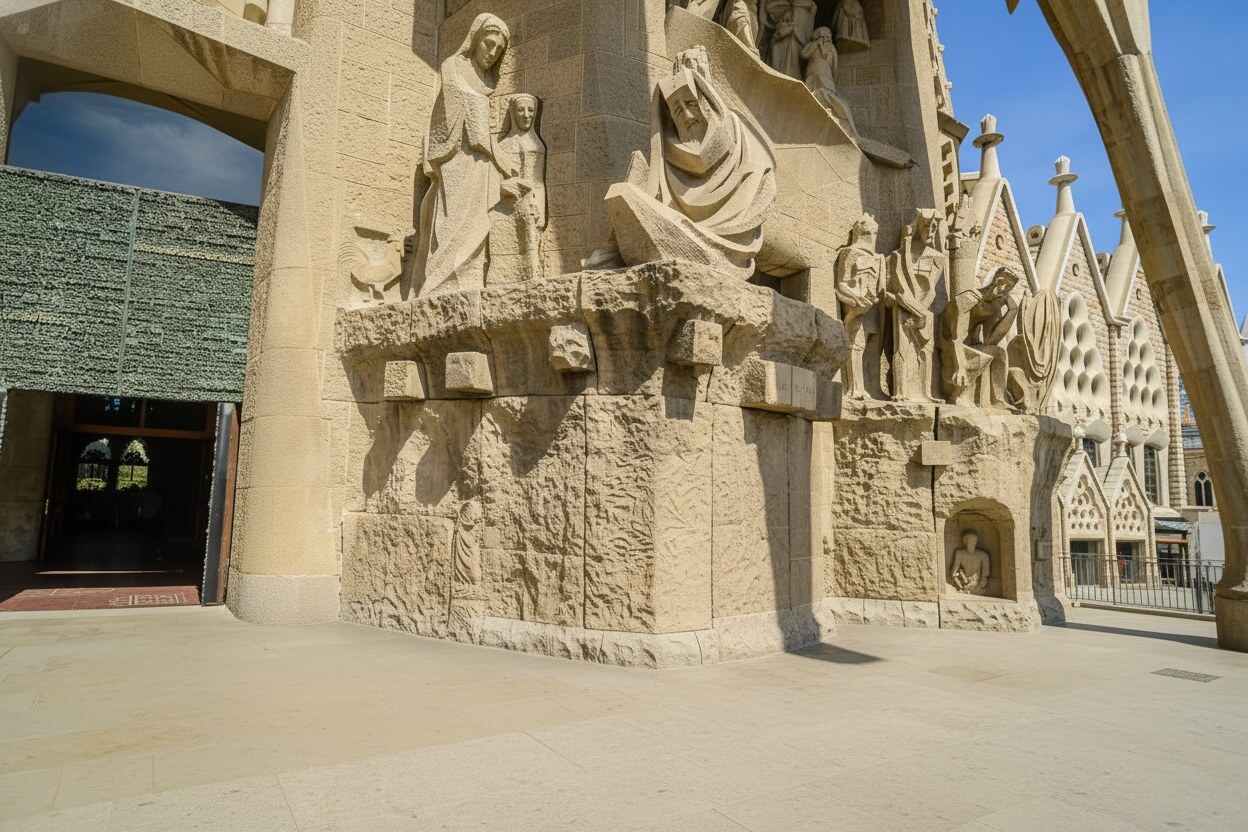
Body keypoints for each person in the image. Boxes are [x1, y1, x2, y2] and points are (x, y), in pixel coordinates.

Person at [415, 13, 511, 296]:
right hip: (456, 160)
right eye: (489, 44)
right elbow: (475, 130)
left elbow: (480, 132)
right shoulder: (452, 67)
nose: (492, 53)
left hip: (478, 165)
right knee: (451, 225)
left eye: (499, 50)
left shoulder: (486, 82)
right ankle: (438, 286)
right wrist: (503, 160)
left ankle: (467, 281)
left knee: (475, 224)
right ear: (475, 39)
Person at [491, 94, 547, 282]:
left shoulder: (537, 146)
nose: (526, 115)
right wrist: (501, 187)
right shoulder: (503, 145)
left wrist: (541, 210)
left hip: (529, 207)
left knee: (529, 256)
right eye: (521, 110)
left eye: (531, 110)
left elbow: (538, 181)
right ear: (513, 113)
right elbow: (493, 179)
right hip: (505, 209)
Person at [801, 26, 839, 109]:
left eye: (828, 36)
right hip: (811, 72)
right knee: (810, 92)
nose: (827, 38)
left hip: (825, 73)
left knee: (825, 93)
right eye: (825, 35)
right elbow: (804, 55)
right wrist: (816, 44)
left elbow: (833, 63)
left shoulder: (831, 47)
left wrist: (832, 77)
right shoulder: (813, 44)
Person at [951, 530, 991, 594]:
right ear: (965, 541)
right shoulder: (959, 553)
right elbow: (954, 571)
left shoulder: (983, 555)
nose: (972, 543)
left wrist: (980, 585)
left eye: (974, 540)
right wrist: (959, 582)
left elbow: (984, 577)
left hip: (976, 583)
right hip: (963, 582)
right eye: (970, 540)